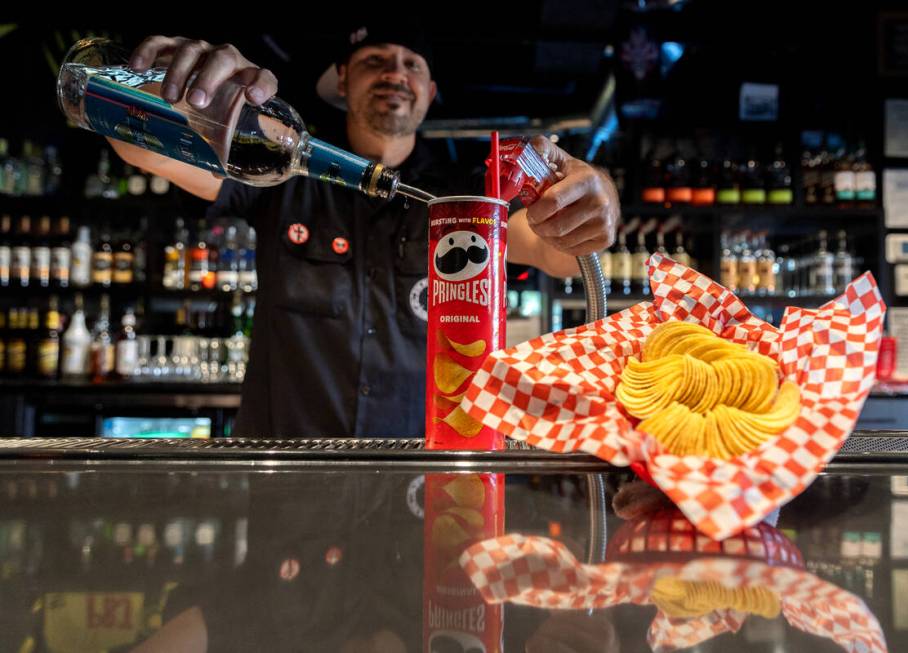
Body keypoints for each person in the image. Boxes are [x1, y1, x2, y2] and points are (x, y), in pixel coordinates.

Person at [108, 22, 620, 438]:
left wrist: (595, 197)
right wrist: (162, 88)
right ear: (343, 79)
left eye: (411, 65)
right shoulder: (283, 167)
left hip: (422, 491)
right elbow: (139, 148)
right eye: (375, 61)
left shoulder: (465, 197)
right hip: (286, 494)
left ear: (429, 92)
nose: (395, 73)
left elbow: (559, 253)